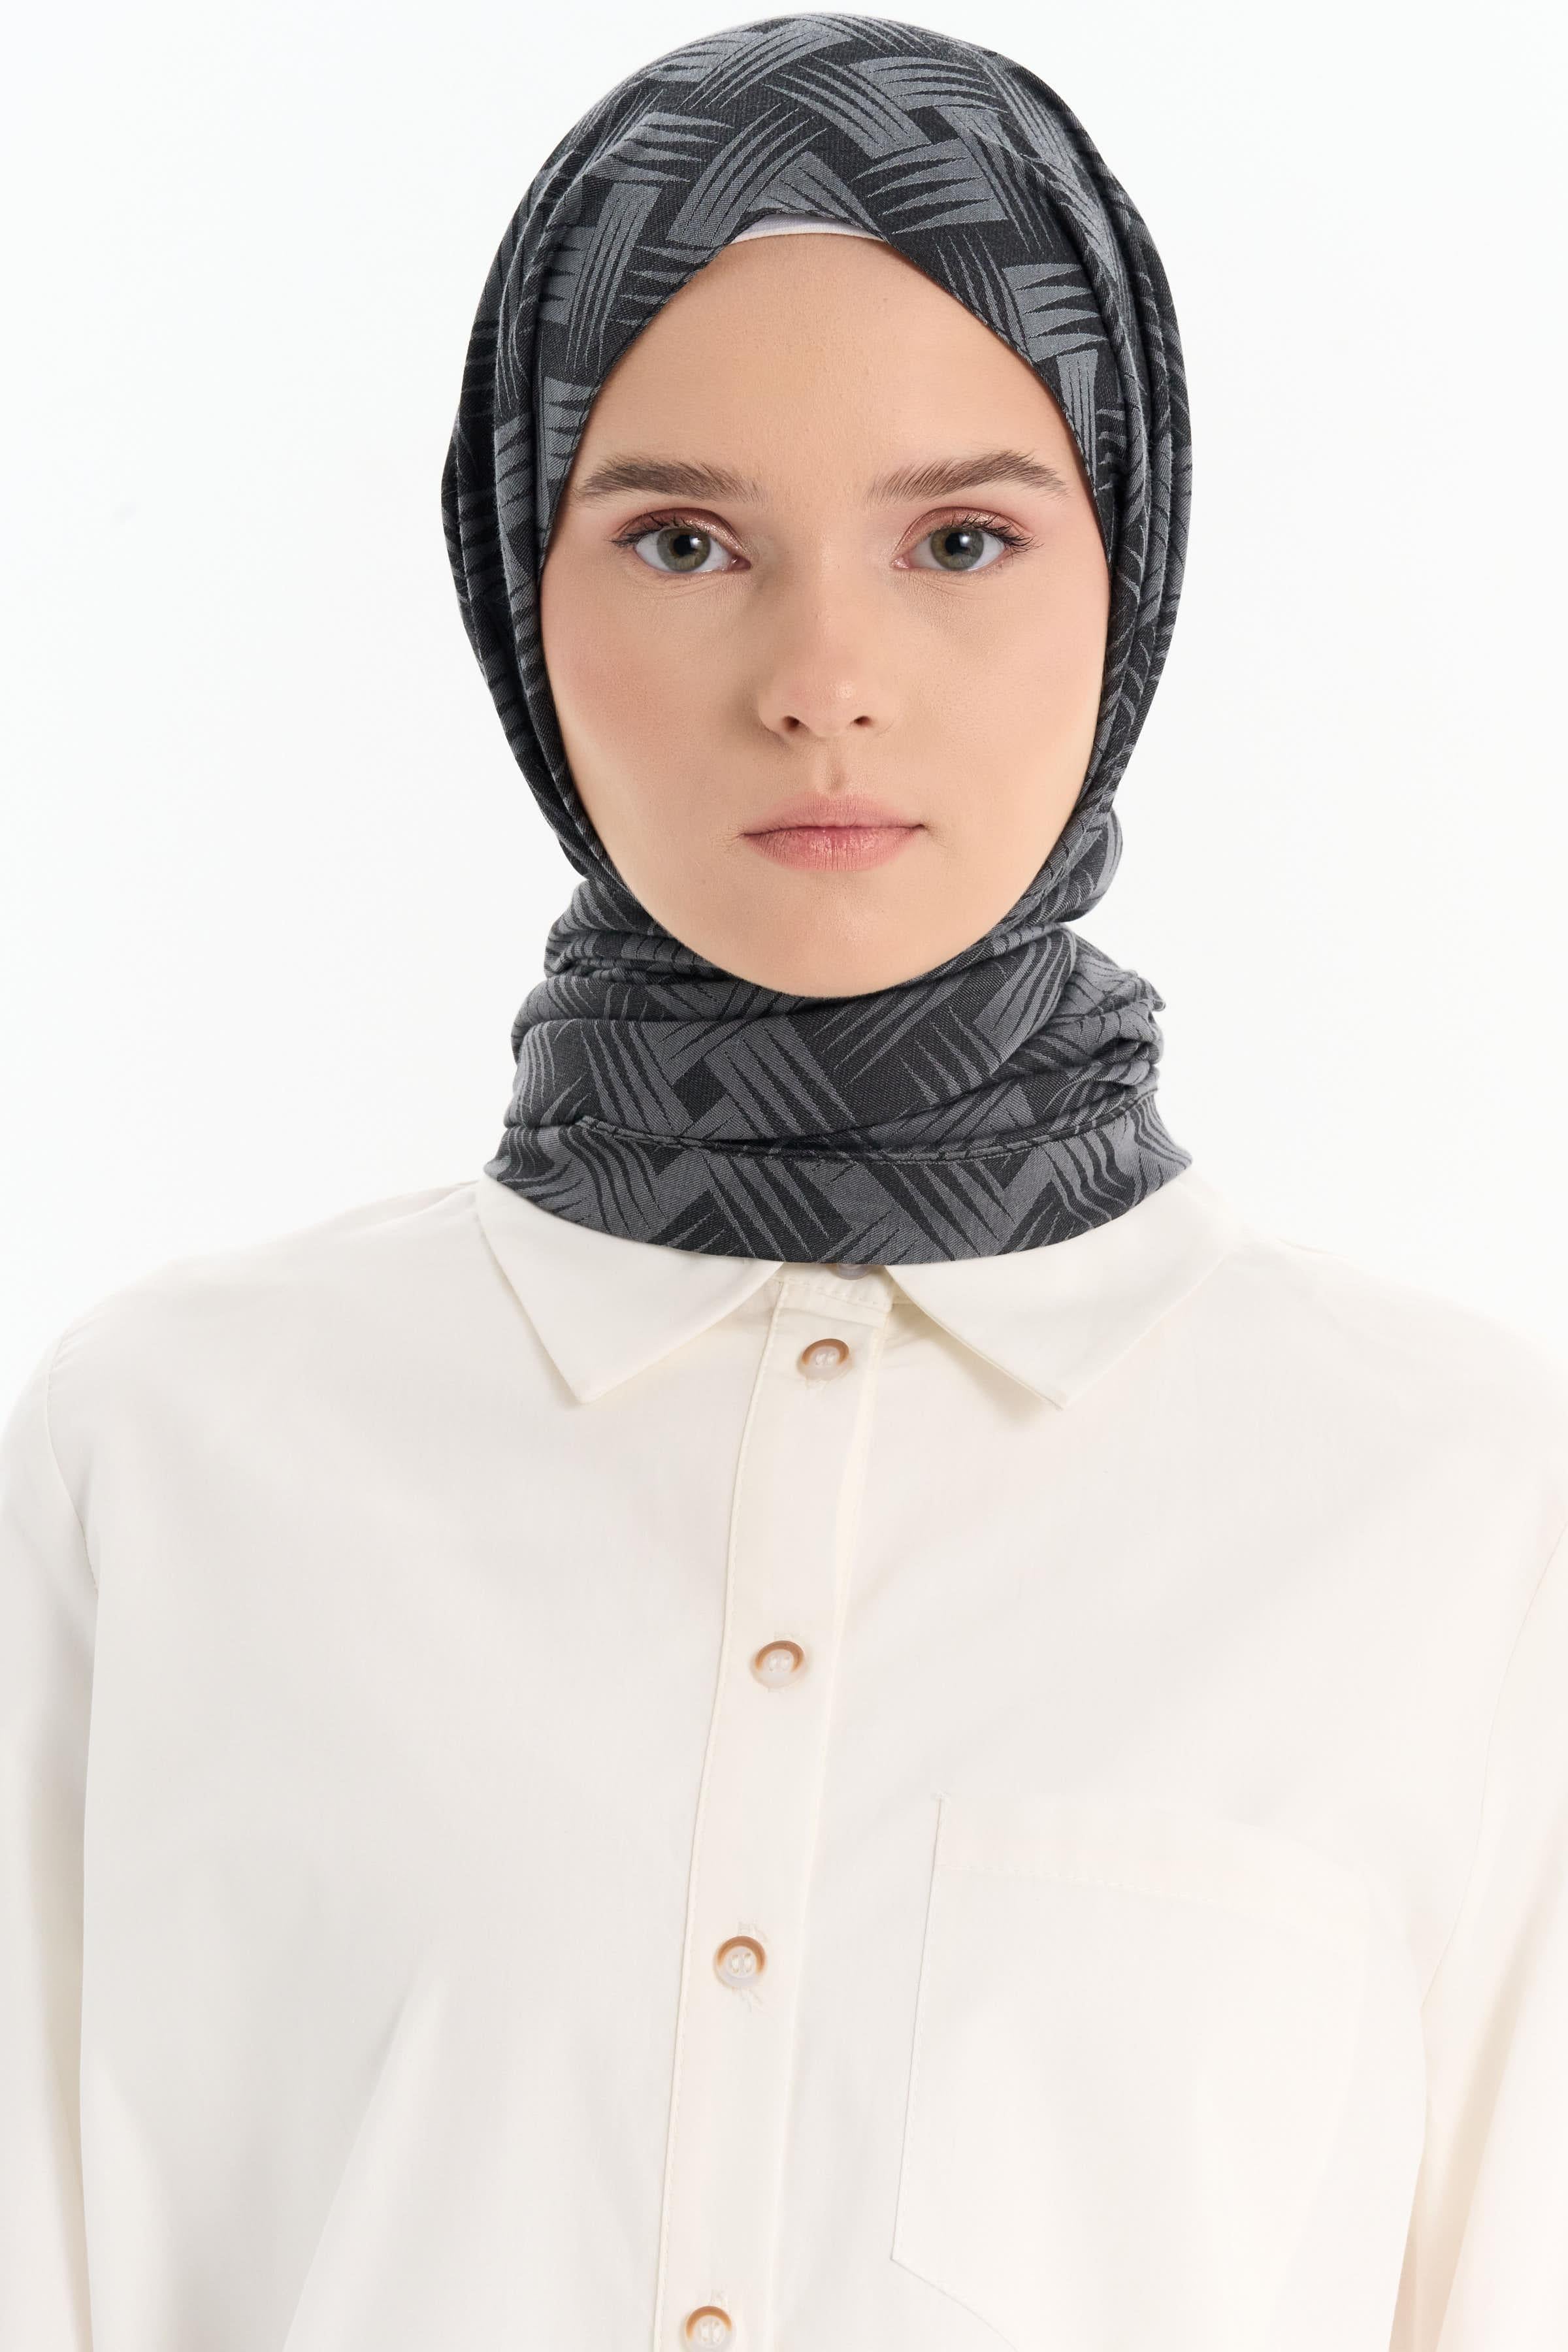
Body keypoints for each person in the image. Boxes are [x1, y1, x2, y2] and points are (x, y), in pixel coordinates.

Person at [3, 16, 1565, 2350]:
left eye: (960, 539)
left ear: (1129, 565)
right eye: (682, 540)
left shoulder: (1461, 1513)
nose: (824, 676)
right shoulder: (166, 1465)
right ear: (518, 583)